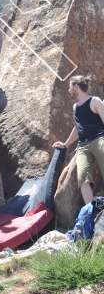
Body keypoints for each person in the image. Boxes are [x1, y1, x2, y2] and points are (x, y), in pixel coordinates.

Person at [53, 75, 104, 204]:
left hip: (99, 139)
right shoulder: (75, 107)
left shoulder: (95, 101)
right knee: (83, 178)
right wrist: (65, 144)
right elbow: (77, 127)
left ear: (76, 87)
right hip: (82, 146)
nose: (69, 90)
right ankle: (91, 213)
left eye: (70, 87)